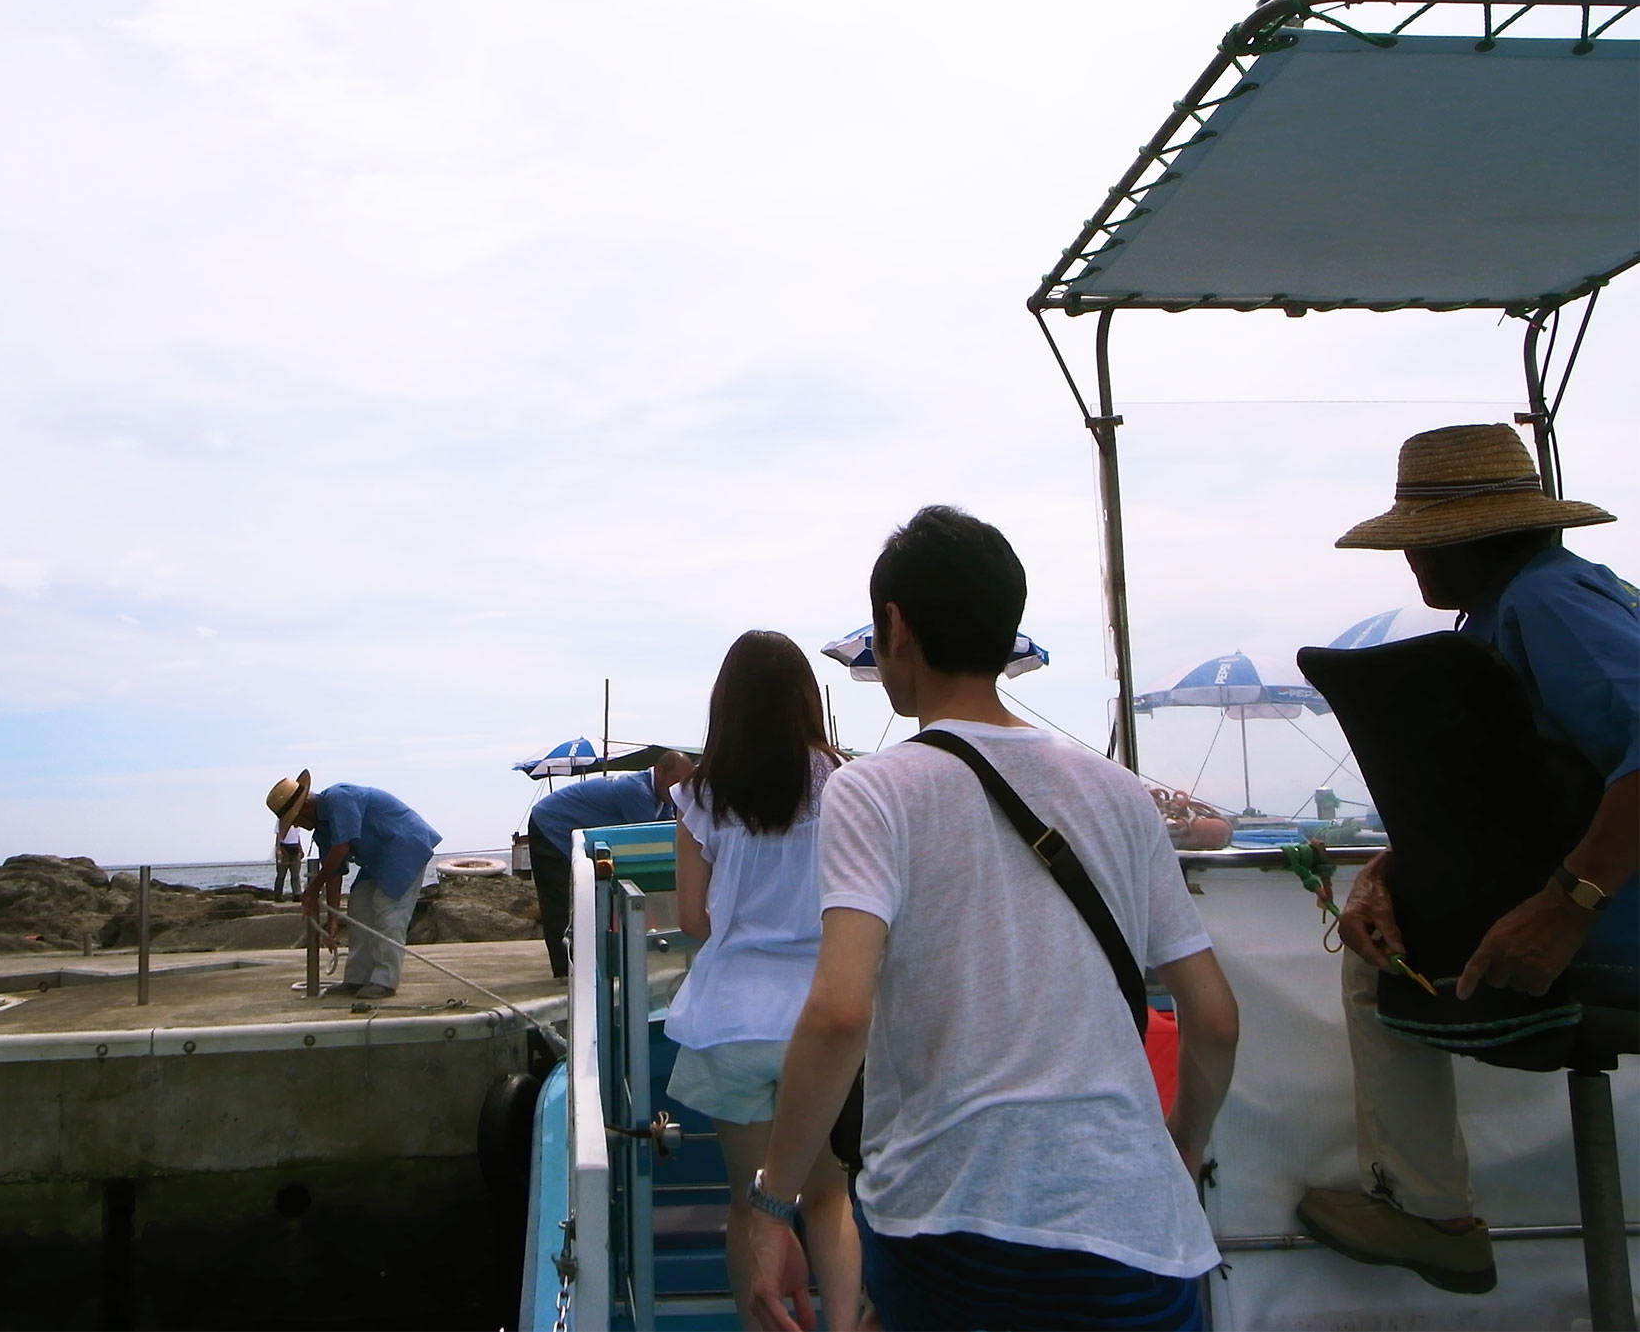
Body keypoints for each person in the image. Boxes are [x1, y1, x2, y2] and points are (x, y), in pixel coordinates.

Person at [746, 505, 1239, 1332]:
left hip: (952, 1219)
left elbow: (838, 1012)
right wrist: (1180, 1148)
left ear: (895, 626)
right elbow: (1215, 1017)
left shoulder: (876, 789)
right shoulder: (1119, 792)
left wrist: (771, 1206)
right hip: (1138, 1229)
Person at [1297, 423, 1638, 1294]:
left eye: (1420, 539)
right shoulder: (1505, 611)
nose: (1410, 560)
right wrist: (1380, 879)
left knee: (1376, 976)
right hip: (1581, 905)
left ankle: (1429, 1209)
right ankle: (1429, 1208)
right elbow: (1490, 806)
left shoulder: (1550, 601)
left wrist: (1564, 909)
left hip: (1614, 930)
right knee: (1383, 941)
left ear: (1475, 536)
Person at [666, 631, 860, 1331]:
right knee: (827, 1196)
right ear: (806, 698)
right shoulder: (843, 783)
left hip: (731, 1023)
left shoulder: (700, 795)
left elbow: (693, 918)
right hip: (820, 1017)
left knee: (749, 1203)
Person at [266, 770, 443, 999]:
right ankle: (356, 977)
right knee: (358, 905)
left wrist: (312, 889)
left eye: (295, 819)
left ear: (304, 808)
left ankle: (385, 980)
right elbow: (334, 872)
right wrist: (332, 920)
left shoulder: (339, 798)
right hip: (375, 858)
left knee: (389, 912)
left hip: (404, 846)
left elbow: (341, 849)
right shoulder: (322, 830)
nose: (297, 825)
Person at [525, 751, 694, 976]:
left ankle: (593, 961)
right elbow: (651, 840)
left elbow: (672, 833)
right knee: (561, 900)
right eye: (677, 780)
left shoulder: (662, 798)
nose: (680, 789)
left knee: (594, 900)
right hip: (550, 825)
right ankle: (566, 970)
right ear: (659, 771)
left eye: (686, 783)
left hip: (577, 833)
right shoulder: (636, 791)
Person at [272, 827, 304, 902]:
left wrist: (301, 849)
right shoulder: (281, 819)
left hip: (295, 846)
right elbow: (278, 834)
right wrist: (278, 849)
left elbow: (297, 836)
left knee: (295, 874)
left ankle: (297, 894)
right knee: (281, 874)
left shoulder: (297, 820)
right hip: (284, 846)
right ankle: (278, 895)